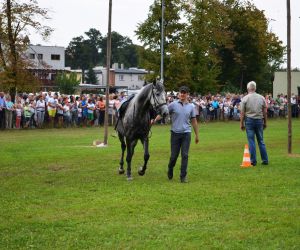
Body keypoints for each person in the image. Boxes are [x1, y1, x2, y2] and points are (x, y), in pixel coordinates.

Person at [155, 86, 199, 183]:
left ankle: (183, 176)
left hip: (186, 134)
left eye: (184, 93)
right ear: (179, 94)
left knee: (185, 155)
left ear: (187, 94)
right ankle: (170, 168)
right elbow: (163, 113)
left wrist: (196, 135)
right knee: (174, 156)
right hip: (175, 134)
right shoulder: (173, 105)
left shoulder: (191, 107)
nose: (182, 94)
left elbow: (194, 121)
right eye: (181, 92)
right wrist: (154, 120)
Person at [240, 81, 268, 166]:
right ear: (255, 88)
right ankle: (265, 160)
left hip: (249, 121)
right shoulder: (262, 98)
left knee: (251, 141)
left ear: (248, 88)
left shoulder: (245, 98)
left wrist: (241, 123)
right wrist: (265, 122)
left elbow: (242, 113)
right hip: (259, 120)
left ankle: (253, 161)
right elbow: (265, 112)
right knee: (261, 141)